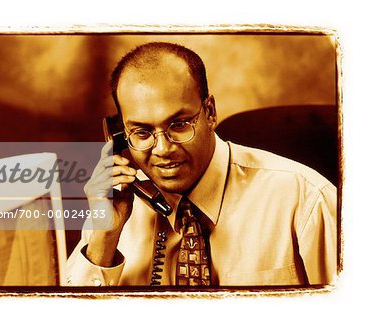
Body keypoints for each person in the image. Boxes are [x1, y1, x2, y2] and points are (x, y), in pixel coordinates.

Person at [66, 42, 337, 287]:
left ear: (210, 112)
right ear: (119, 136)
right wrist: (104, 239)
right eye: (142, 133)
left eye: (180, 125)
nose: (163, 149)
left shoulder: (306, 200)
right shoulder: (115, 204)